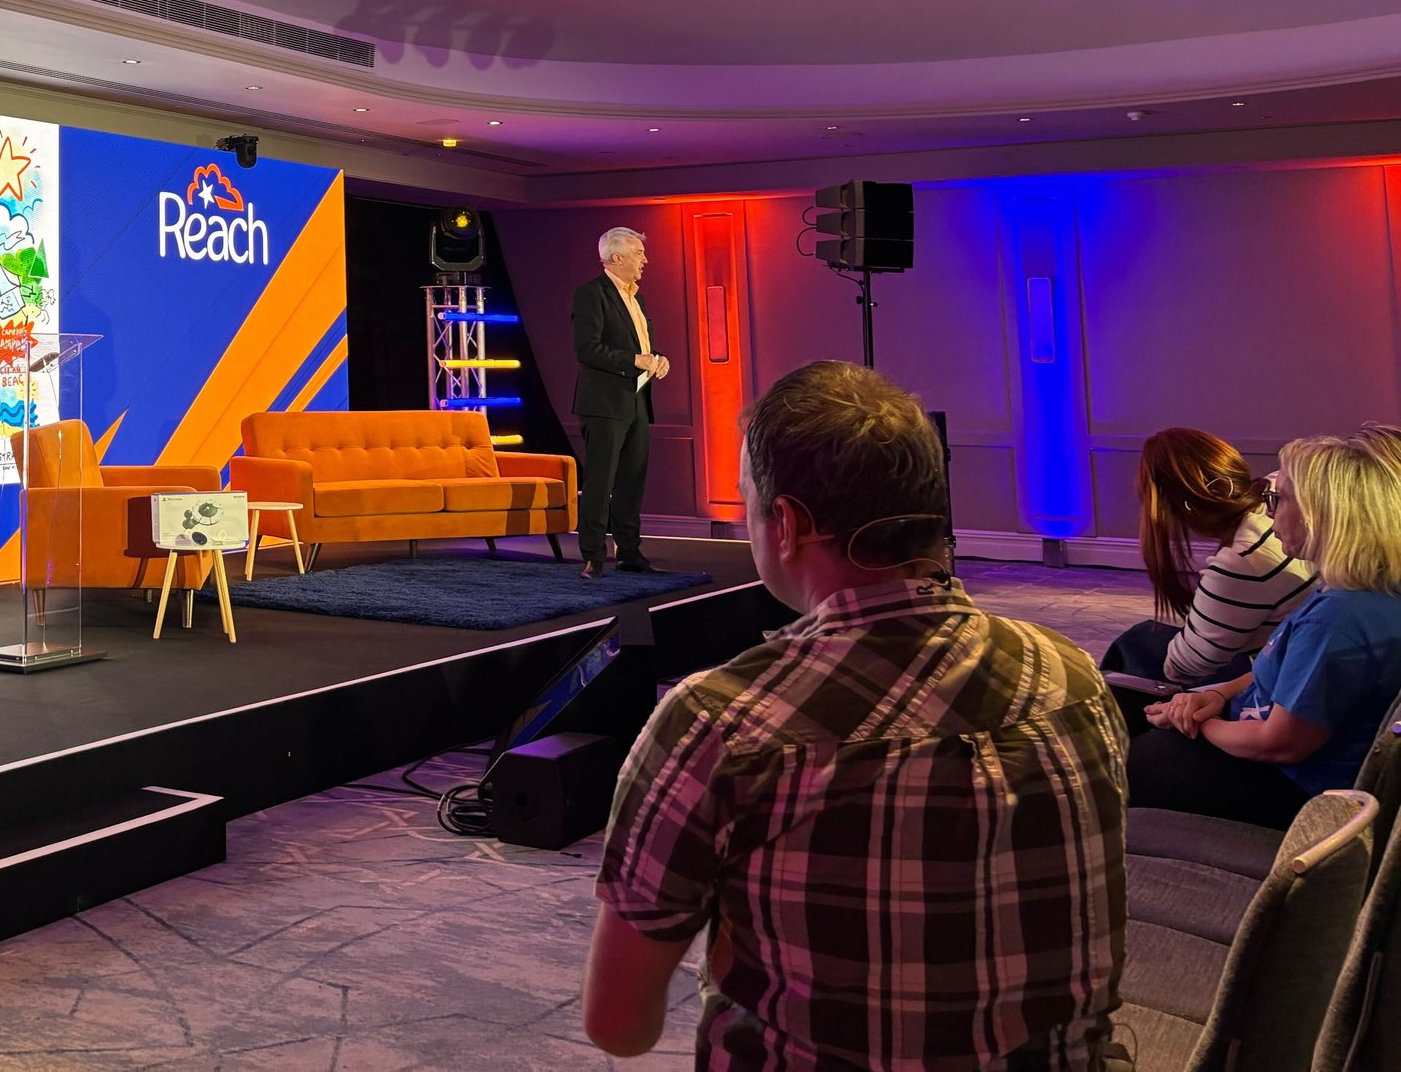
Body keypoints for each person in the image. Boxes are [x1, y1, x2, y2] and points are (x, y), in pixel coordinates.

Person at [585, 361, 1126, 1070]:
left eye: (750, 501)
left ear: (786, 525)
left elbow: (619, 1026)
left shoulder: (717, 725)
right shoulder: (1073, 677)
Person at [1130, 427, 1401, 829]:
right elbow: (1281, 667)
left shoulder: (1338, 620)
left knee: (1126, 767)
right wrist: (1218, 694)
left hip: (1299, 791)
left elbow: (1280, 745)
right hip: (1258, 734)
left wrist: (1201, 724)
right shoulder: (1355, 587)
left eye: (1277, 498)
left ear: (1321, 512)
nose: (1268, 510)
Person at [1103, 427, 1314, 687]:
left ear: (1181, 508)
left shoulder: (1242, 561)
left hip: (1272, 680)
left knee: (1134, 648)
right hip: (1290, 653)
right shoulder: (1275, 487)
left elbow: (1183, 668)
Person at [570, 227, 669, 578]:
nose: (646, 260)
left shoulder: (636, 297)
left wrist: (657, 359)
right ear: (617, 258)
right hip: (605, 403)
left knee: (632, 479)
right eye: (639, 253)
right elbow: (588, 349)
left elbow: (641, 346)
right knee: (601, 480)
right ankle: (593, 555)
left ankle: (629, 552)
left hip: (637, 398)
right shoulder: (591, 294)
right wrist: (634, 360)